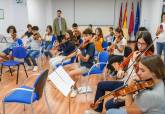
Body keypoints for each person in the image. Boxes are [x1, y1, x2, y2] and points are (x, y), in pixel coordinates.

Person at [85, 31, 154, 114]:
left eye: (143, 44)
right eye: (138, 43)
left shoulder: (150, 58)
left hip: (134, 89)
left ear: (148, 44)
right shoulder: (134, 53)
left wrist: (135, 62)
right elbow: (123, 64)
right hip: (126, 82)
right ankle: (97, 111)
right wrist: (121, 70)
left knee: (108, 105)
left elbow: (141, 75)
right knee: (101, 85)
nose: (140, 46)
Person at [63, 28, 95, 97]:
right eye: (84, 36)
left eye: (86, 36)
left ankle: (74, 89)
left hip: (87, 67)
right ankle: (74, 84)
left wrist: (80, 55)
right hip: (81, 64)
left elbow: (86, 59)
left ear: (90, 36)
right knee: (66, 67)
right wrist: (65, 58)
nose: (84, 38)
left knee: (70, 74)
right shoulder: (84, 44)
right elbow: (75, 52)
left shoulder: (91, 46)